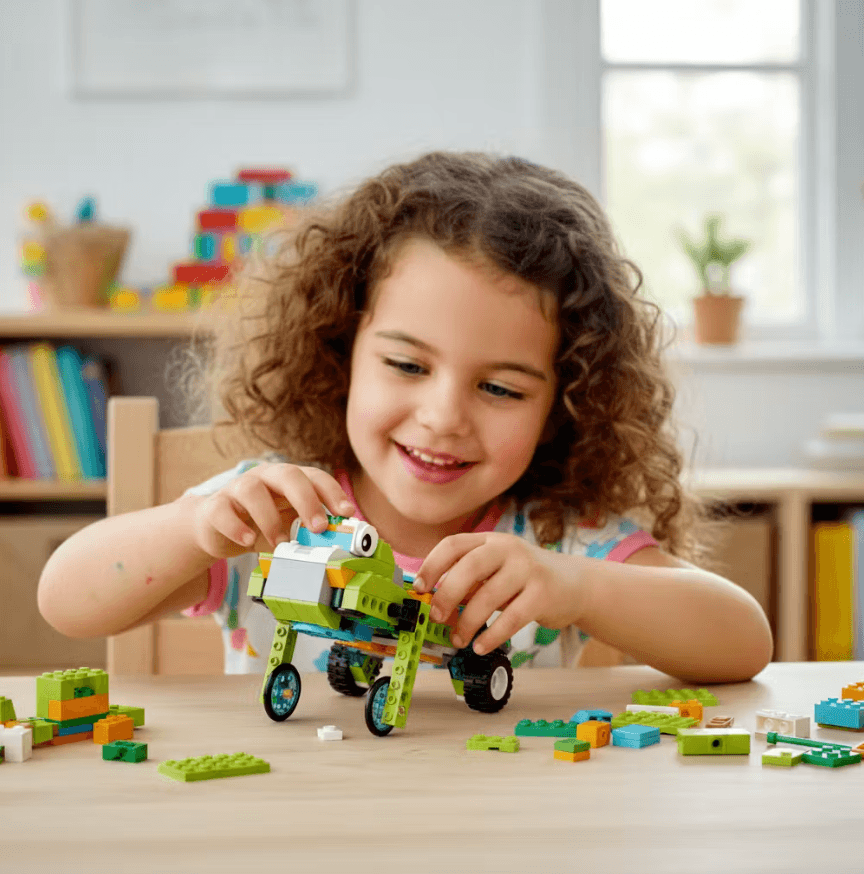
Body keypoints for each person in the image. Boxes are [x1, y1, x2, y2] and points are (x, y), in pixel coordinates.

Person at [38, 151, 773, 683]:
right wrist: (195, 527)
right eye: (408, 366)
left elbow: (742, 642)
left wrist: (578, 587)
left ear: (565, 403)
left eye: (503, 390)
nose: (444, 416)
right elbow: (66, 601)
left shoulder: (557, 539)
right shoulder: (274, 519)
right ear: (341, 353)